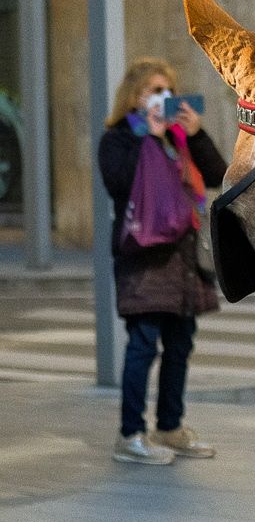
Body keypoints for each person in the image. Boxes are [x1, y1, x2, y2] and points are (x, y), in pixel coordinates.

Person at [96, 58, 226, 466]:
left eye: (167, 89)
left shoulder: (177, 138)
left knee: (180, 344)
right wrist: (147, 139)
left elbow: (218, 172)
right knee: (142, 346)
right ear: (134, 97)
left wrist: (196, 132)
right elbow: (118, 183)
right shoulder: (120, 138)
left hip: (183, 258)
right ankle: (130, 434)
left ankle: (169, 425)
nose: (162, 97)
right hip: (145, 258)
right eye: (154, 90)